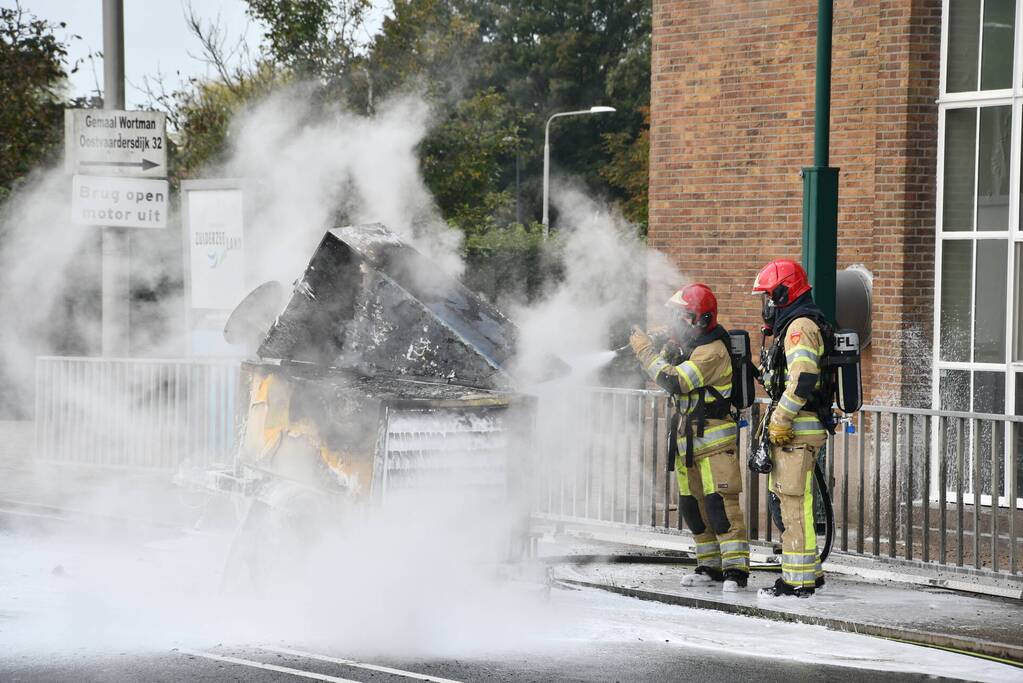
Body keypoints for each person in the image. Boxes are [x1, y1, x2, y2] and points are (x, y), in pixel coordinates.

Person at [630, 284, 749, 591]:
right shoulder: (691, 347)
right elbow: (663, 368)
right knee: (693, 507)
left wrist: (646, 351)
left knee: (720, 506)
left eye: (681, 317)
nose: (676, 322)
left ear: (699, 319)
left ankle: (735, 570)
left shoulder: (711, 351)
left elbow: (674, 380)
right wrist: (663, 344)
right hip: (688, 441)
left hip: (714, 440)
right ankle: (708, 566)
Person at [751, 259, 829, 598]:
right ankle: (809, 571)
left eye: (768, 297)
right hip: (798, 426)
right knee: (794, 501)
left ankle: (797, 580)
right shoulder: (796, 325)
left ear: (784, 293)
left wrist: (781, 418)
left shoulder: (799, 326)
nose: (766, 305)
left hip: (797, 428)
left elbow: (804, 377)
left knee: (792, 504)